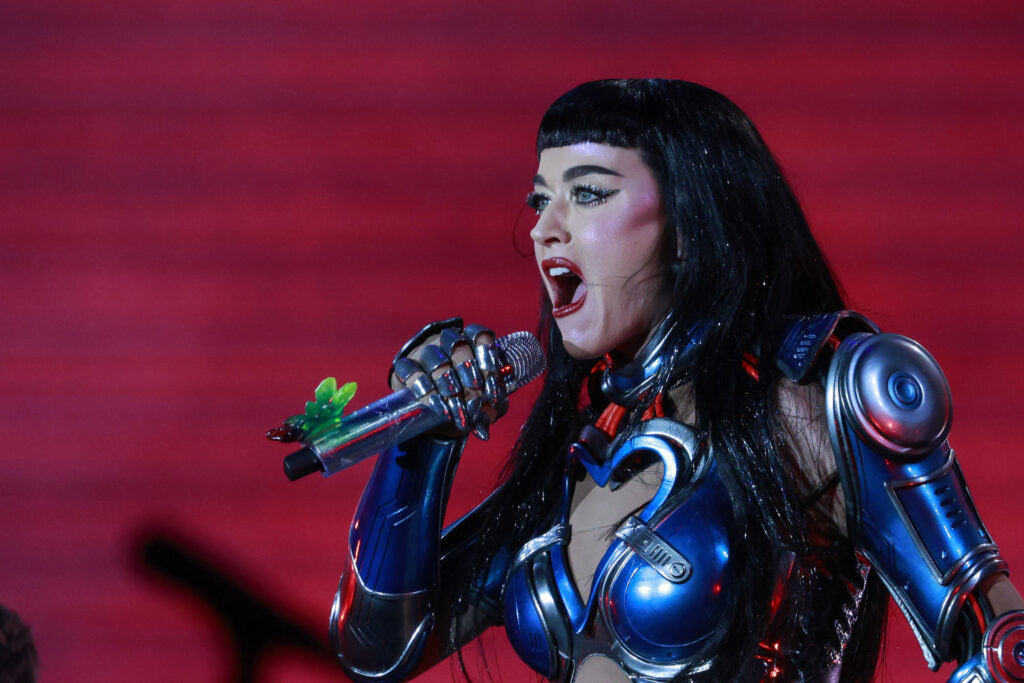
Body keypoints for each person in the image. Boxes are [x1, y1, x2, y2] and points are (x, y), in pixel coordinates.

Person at [324, 80, 1024, 682]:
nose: (544, 230)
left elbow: (1003, 650)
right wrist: (421, 443)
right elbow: (378, 649)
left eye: (588, 194)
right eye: (540, 201)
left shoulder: (810, 398)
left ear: (691, 223)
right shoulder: (583, 451)